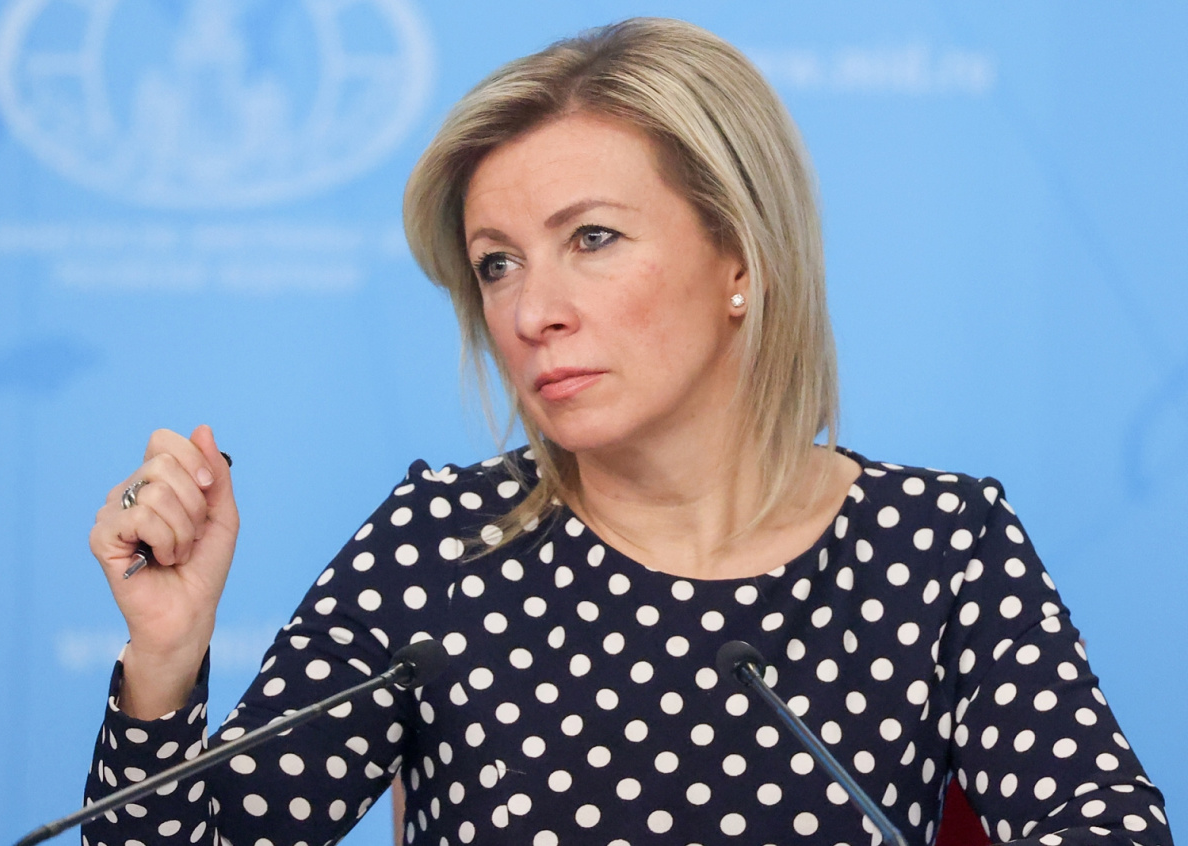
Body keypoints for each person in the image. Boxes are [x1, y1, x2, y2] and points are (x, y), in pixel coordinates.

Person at [83, 18, 1172, 846]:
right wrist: (165, 660)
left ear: (740, 256)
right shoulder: (440, 545)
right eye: (497, 264)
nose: (531, 311)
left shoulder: (937, 547)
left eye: (592, 239)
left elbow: (1105, 825)